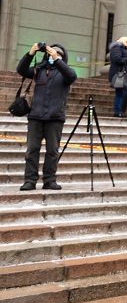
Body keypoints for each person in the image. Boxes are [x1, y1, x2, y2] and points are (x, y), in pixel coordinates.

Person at [16, 42, 76, 191]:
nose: (53, 55)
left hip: (55, 118)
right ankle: (30, 180)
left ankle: (49, 180)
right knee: (31, 150)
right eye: (51, 53)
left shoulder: (65, 73)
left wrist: (57, 59)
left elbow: (72, 76)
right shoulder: (39, 70)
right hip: (36, 116)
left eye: (58, 54)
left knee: (52, 151)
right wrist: (30, 53)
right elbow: (21, 70)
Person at [108, 36, 127, 118]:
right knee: (120, 93)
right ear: (122, 41)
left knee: (123, 93)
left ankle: (119, 110)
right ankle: (118, 111)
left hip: (125, 74)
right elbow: (117, 59)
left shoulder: (126, 50)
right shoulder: (116, 48)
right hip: (119, 74)